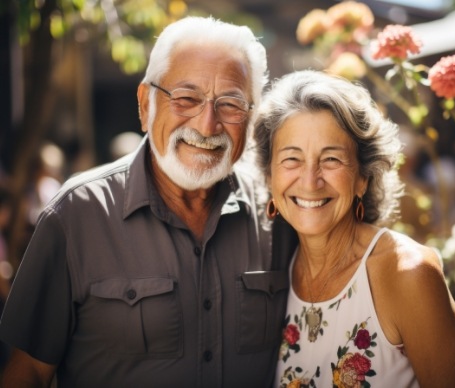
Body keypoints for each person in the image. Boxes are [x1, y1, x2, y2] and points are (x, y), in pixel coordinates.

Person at [0, 16, 297, 388]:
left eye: (230, 104)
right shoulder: (76, 215)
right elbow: (27, 372)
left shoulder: (281, 213)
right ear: (145, 105)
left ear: (251, 118)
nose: (207, 126)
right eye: (186, 98)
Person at [253, 70, 455, 388]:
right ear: (268, 176)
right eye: (292, 159)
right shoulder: (277, 268)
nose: (309, 180)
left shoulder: (407, 274)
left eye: (331, 159)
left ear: (363, 177)